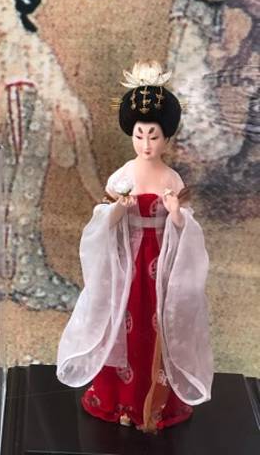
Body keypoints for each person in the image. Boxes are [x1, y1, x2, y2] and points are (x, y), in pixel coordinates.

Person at [57, 62, 213, 432]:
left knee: (157, 325)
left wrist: (175, 213)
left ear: (166, 138)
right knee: (121, 325)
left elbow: (184, 227)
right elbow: (103, 223)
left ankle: (154, 405)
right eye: (140, 135)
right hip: (126, 263)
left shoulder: (171, 178)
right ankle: (120, 401)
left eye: (153, 136)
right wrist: (118, 210)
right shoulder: (122, 176)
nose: (146, 144)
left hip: (159, 262)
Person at [0, 0, 102, 311]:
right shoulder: (5, 48)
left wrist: (73, 117)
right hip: (9, 126)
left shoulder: (35, 47)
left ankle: (29, 277)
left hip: (34, 122)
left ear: (21, 8)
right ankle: (7, 275)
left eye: (4, 8)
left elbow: (55, 90)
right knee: (3, 199)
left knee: (24, 202)